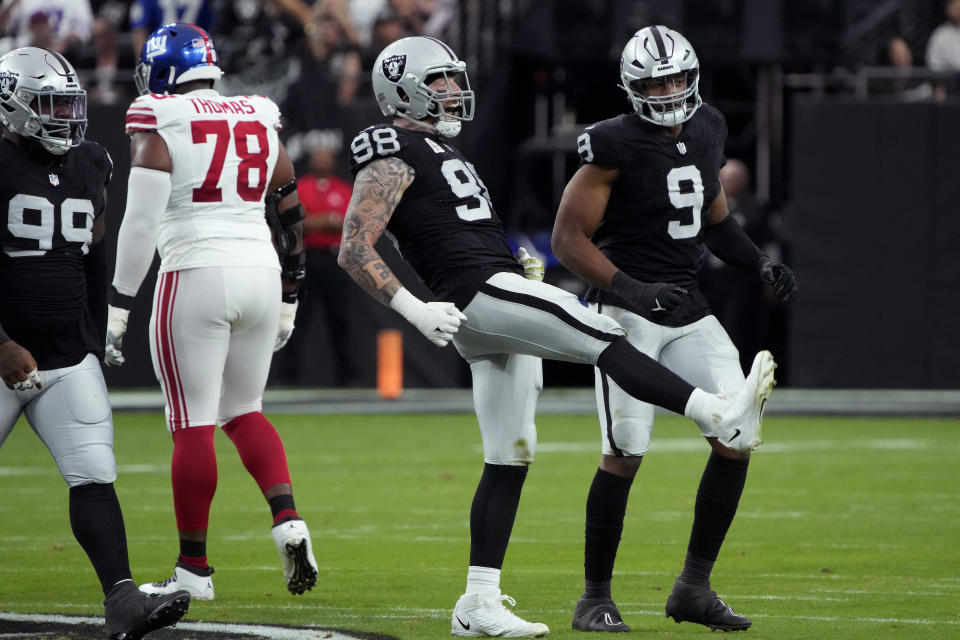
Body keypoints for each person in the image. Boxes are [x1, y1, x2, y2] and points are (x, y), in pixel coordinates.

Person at [339, 35, 777, 638]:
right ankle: (718, 412)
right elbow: (354, 246)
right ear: (401, 89)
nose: (452, 90)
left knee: (509, 454)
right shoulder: (391, 148)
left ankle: (478, 603)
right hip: (476, 293)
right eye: (438, 80)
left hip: (494, 289)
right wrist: (414, 308)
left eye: (451, 78)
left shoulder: (442, 150)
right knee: (603, 331)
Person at [551, 26, 798, 633]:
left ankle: (692, 586)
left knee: (737, 436)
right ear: (631, 87)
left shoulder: (708, 125)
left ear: (693, 76)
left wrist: (758, 260)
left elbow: (715, 219)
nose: (667, 90)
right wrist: (632, 291)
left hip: (686, 306)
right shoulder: (612, 143)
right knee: (625, 452)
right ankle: (593, 599)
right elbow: (566, 239)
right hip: (627, 310)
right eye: (654, 81)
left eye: (675, 78)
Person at [103, 23, 319, 602]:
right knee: (246, 411)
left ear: (161, 72)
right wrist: (292, 293)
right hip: (261, 272)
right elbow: (291, 208)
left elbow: (141, 223)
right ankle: (288, 520)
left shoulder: (159, 117)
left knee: (192, 421)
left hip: (196, 272)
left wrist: (119, 303)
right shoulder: (257, 113)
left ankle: (193, 570)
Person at [0, 46, 190, 639]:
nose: (64, 117)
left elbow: (93, 245)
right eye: (49, 105)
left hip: (65, 355)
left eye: (69, 104)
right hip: (2, 354)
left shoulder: (92, 160)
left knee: (95, 475)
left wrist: (91, 329)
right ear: (13, 106)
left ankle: (124, 600)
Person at [275, 141, 356, 385]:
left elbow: (350, 222)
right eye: (318, 156)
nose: (322, 160)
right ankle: (288, 378)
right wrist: (325, 221)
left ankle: (348, 380)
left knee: (341, 319)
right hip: (306, 257)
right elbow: (296, 222)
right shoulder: (301, 187)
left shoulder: (343, 189)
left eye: (326, 156)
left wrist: (315, 220)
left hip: (335, 258)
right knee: (297, 316)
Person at [926, 0, 960, 73]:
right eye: (953, 6)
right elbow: (934, 65)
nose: (957, 10)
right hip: (950, 81)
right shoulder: (941, 35)